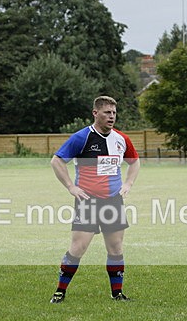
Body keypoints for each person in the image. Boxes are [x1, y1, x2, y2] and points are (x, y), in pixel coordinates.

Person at [49, 96, 141, 303]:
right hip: (88, 201)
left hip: (113, 201)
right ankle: (60, 291)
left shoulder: (121, 139)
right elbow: (56, 161)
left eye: (114, 113)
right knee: (78, 248)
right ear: (95, 113)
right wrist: (71, 187)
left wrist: (128, 184)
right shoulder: (82, 138)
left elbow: (134, 163)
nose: (111, 116)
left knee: (116, 248)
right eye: (107, 112)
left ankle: (117, 293)